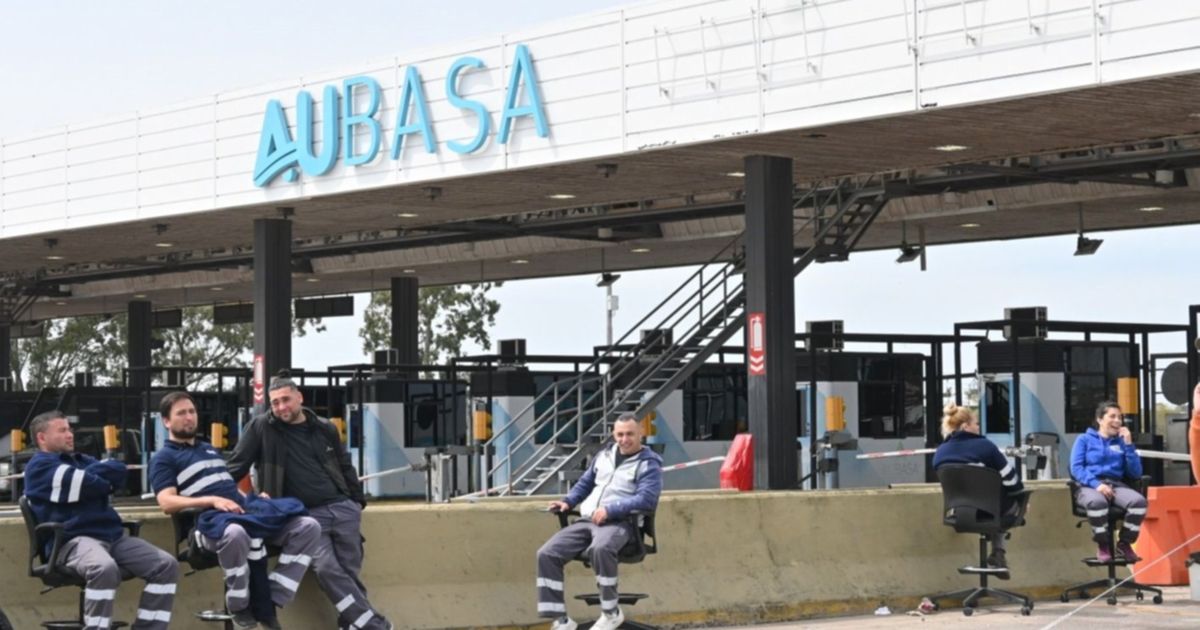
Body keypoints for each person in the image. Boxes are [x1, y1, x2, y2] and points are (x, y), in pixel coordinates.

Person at [227, 376, 391, 630]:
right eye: (275, 402)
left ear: (299, 397)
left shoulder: (325, 427)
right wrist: (224, 499)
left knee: (348, 573)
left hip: (343, 509)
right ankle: (374, 625)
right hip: (304, 517)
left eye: (286, 400)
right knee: (326, 569)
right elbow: (234, 468)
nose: (281, 407)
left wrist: (356, 501)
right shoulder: (261, 427)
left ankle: (350, 624)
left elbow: (344, 464)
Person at [150, 391, 321, 630]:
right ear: (166, 421)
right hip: (209, 526)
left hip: (242, 514)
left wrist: (254, 500)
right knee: (236, 532)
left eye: (192, 412)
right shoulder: (163, 458)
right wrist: (212, 501)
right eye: (181, 413)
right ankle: (239, 603)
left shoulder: (209, 450)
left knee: (308, 526)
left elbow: (229, 490)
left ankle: (271, 598)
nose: (189, 417)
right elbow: (166, 502)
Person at [23, 410, 178, 630]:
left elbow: (117, 470)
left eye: (70, 429)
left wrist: (93, 475)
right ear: (41, 438)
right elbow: (89, 483)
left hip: (112, 538)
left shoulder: (78, 459)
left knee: (166, 565)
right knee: (103, 567)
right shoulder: (38, 467)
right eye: (62, 430)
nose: (70, 435)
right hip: (71, 541)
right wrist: (97, 478)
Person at [537, 412, 663, 630]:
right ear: (613, 434)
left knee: (601, 548)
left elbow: (646, 499)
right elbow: (585, 484)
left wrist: (610, 510)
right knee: (546, 553)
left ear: (641, 433)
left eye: (630, 434)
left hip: (621, 524)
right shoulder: (603, 456)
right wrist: (567, 502)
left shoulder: (648, 463)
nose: (624, 439)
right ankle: (561, 620)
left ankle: (611, 612)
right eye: (620, 434)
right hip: (587, 521)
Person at [931, 403, 1024, 575]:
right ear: (966, 426)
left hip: (959, 513)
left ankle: (998, 553)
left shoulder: (940, 453)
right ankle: (998, 552)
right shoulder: (986, 447)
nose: (979, 427)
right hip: (992, 511)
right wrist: (1021, 497)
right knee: (1009, 502)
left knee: (993, 502)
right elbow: (1012, 480)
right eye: (976, 423)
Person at [1070, 400, 1147, 563]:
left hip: (1116, 485)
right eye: (1112, 416)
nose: (1118, 421)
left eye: (1120, 417)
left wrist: (1128, 445)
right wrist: (1097, 485)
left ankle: (1124, 543)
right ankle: (1103, 544)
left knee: (1139, 502)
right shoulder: (1084, 439)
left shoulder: (1121, 442)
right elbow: (1076, 468)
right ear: (1099, 419)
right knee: (1097, 503)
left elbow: (1135, 473)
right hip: (1090, 485)